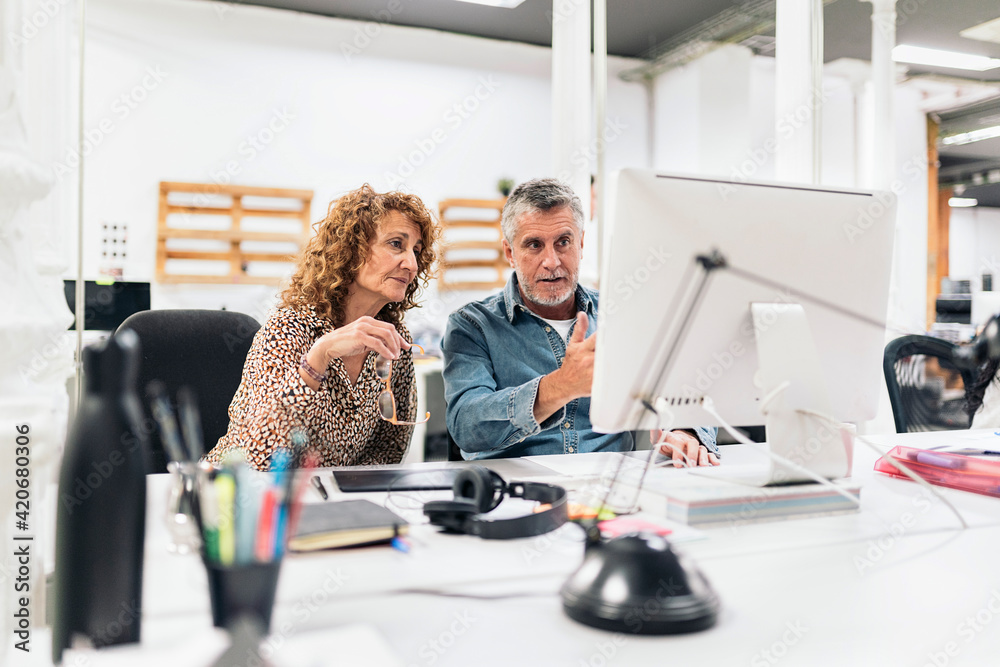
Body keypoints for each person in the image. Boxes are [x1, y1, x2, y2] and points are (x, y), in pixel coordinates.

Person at [442, 177, 718, 464]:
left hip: (607, 485)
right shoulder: (471, 325)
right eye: (534, 245)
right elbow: (467, 424)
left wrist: (685, 430)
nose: (551, 261)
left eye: (563, 242)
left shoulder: (622, 313)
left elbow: (686, 388)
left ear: (581, 243)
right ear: (510, 253)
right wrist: (559, 386)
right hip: (515, 490)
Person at [204, 184, 438, 471]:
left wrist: (348, 499)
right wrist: (320, 356)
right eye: (395, 244)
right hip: (238, 498)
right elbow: (261, 459)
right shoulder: (288, 329)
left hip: (326, 502)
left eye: (416, 250)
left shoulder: (394, 339)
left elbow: (389, 449)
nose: (411, 264)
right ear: (351, 250)